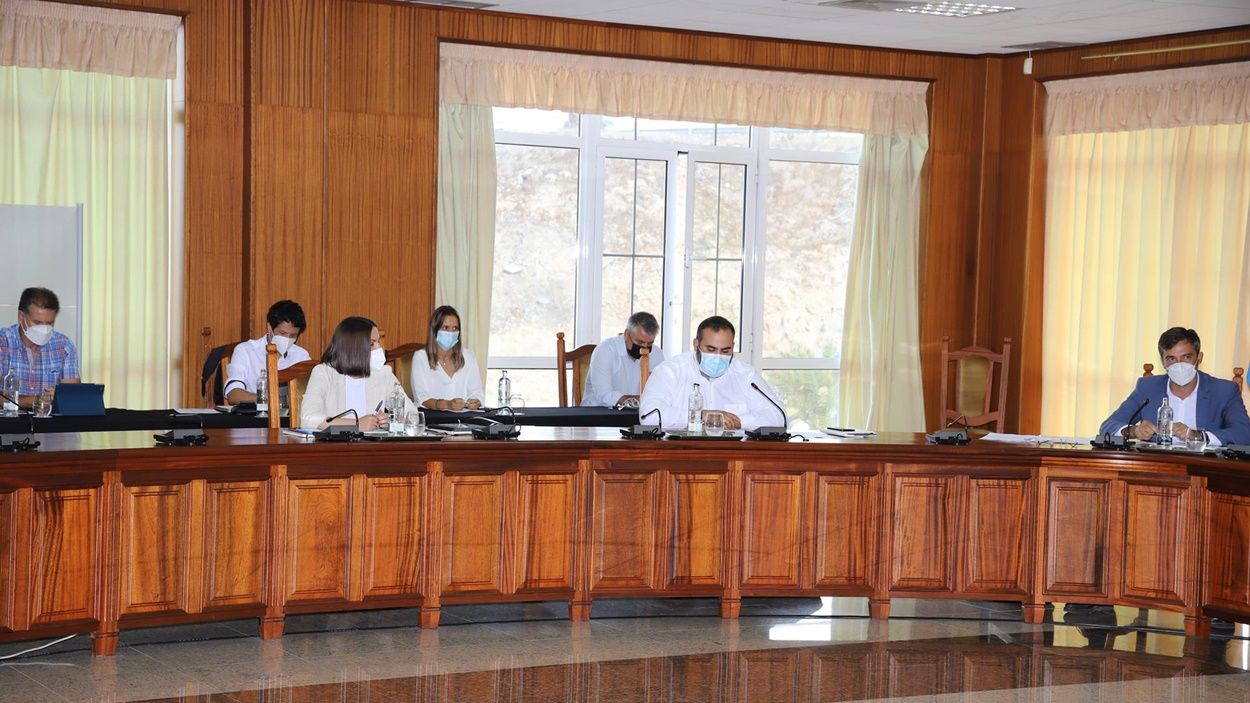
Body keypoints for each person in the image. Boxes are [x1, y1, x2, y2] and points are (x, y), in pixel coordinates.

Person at [1099, 327, 1250, 446]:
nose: (1179, 365)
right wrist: (1134, 431)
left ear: (1199, 358)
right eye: (1171, 358)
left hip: (1205, 473)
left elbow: (1244, 433)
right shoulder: (1147, 388)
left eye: (1186, 357)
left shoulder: (1223, 390)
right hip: (1157, 470)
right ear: (1163, 362)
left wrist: (1195, 435)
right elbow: (1108, 426)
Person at [639, 315, 784, 431]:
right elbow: (648, 417)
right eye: (711, 349)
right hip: (680, 456)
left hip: (734, 457)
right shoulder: (670, 371)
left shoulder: (746, 375)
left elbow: (779, 416)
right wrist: (700, 416)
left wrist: (739, 421)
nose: (718, 356)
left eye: (725, 351)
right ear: (696, 344)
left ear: (733, 347)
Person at [300, 316, 417, 430]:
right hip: (336, 446)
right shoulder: (324, 373)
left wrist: (393, 420)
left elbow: (413, 416)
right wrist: (356, 424)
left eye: (378, 342)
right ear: (354, 348)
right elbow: (309, 418)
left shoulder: (383, 373)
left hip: (373, 447)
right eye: (372, 344)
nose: (379, 348)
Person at [0, 287, 80, 408]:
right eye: (37, 323)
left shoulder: (64, 346)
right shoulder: (3, 342)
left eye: (49, 323)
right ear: (21, 317)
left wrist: (61, 397)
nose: (44, 329)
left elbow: (74, 397)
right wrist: (35, 400)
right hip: (8, 423)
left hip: (51, 424)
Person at [223, 300, 311, 404]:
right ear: (269, 327)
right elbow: (233, 394)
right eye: (282, 333)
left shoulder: (301, 356)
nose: (287, 339)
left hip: (290, 418)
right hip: (252, 417)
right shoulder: (246, 350)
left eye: (293, 336)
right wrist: (268, 400)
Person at [582, 311, 666, 408]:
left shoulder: (656, 353)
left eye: (649, 344)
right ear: (626, 334)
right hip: (597, 415)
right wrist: (639, 401)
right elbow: (604, 396)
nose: (644, 348)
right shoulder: (605, 350)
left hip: (637, 415)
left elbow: (662, 392)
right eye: (640, 342)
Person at [410, 305, 485, 410]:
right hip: (432, 420)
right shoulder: (421, 358)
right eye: (446, 328)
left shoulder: (468, 356)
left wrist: (476, 401)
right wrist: (446, 405)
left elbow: (477, 392)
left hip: (464, 420)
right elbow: (420, 397)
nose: (451, 333)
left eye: (455, 328)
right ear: (435, 331)